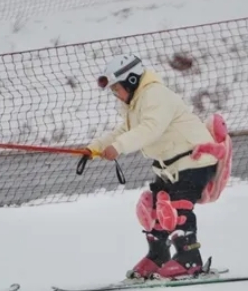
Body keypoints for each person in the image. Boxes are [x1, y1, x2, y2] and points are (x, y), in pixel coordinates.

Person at [83, 54, 232, 280]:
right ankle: (158, 255)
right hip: (172, 167)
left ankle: (189, 258)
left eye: (116, 88)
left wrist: (118, 147)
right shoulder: (135, 104)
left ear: (131, 81)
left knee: (177, 207)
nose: (115, 94)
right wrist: (94, 148)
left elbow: (151, 128)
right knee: (153, 208)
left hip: (195, 161)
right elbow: (124, 131)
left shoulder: (156, 95)